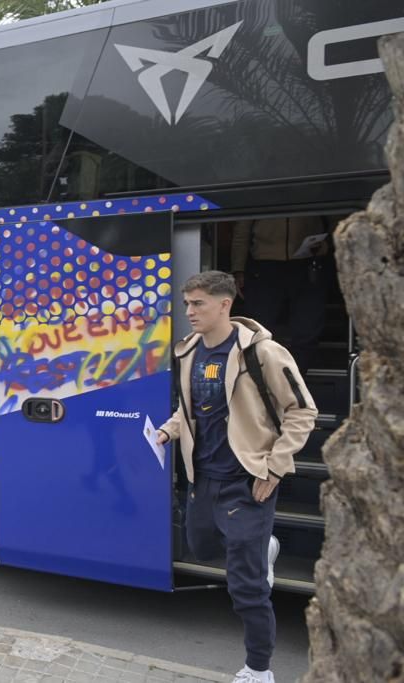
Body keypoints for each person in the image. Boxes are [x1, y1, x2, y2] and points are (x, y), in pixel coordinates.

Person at [157, 271, 317, 683]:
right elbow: (192, 410)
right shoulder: (189, 352)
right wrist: (168, 430)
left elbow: (303, 412)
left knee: (246, 588)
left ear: (225, 304)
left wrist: (276, 466)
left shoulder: (261, 353)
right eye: (187, 303)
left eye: (198, 304)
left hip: (247, 482)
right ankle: (263, 545)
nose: (189, 311)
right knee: (201, 547)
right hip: (203, 479)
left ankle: (258, 669)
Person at [230, 216, 335, 376]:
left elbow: (336, 220)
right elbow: (242, 229)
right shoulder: (255, 192)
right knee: (261, 329)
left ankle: (296, 382)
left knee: (307, 329)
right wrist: (238, 269)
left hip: (308, 261)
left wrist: (328, 244)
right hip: (264, 264)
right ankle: (264, 383)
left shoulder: (314, 190)